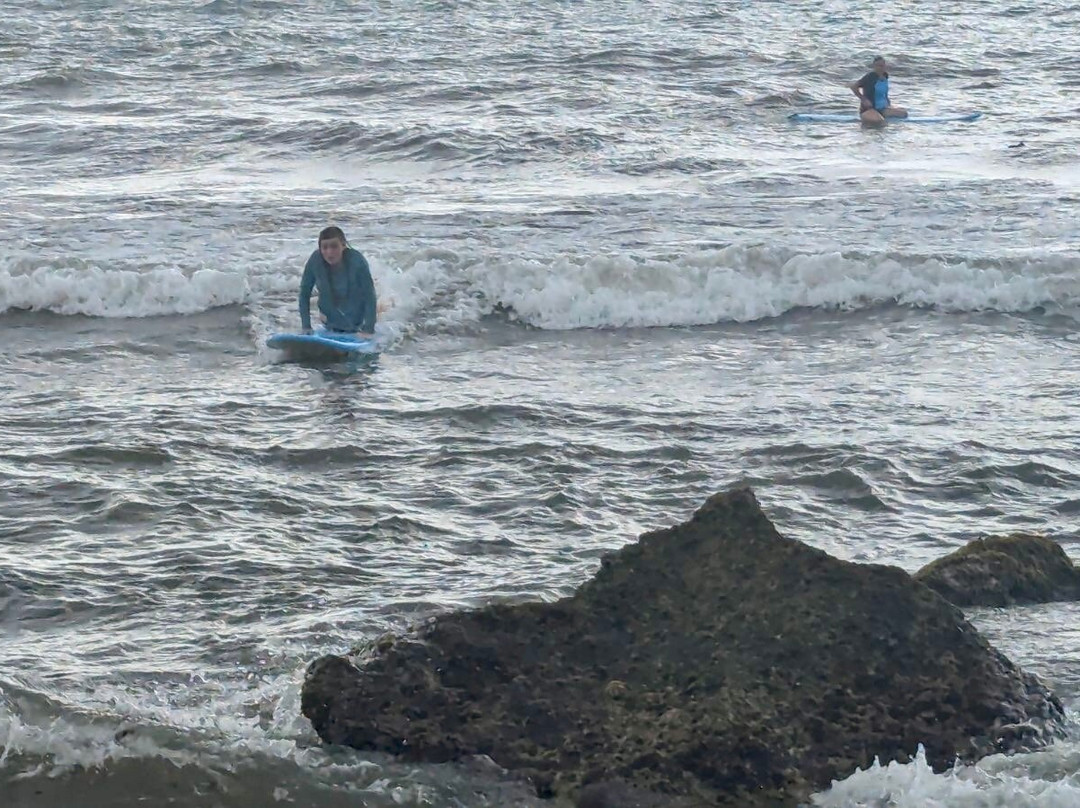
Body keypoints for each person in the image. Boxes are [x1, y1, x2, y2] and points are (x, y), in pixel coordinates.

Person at [298, 226, 377, 336]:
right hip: (329, 322)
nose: (329, 252)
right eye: (324, 247)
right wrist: (306, 326)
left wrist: (368, 329)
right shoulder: (315, 261)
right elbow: (304, 293)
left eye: (334, 246)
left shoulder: (357, 262)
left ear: (343, 245)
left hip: (357, 322)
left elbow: (370, 296)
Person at [851, 56, 907, 125]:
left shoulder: (885, 76)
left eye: (882, 66)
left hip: (882, 108)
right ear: (874, 66)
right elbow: (854, 87)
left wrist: (887, 101)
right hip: (869, 109)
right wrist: (863, 99)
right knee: (880, 122)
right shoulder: (870, 77)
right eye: (878, 66)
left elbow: (884, 92)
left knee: (904, 114)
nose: (880, 68)